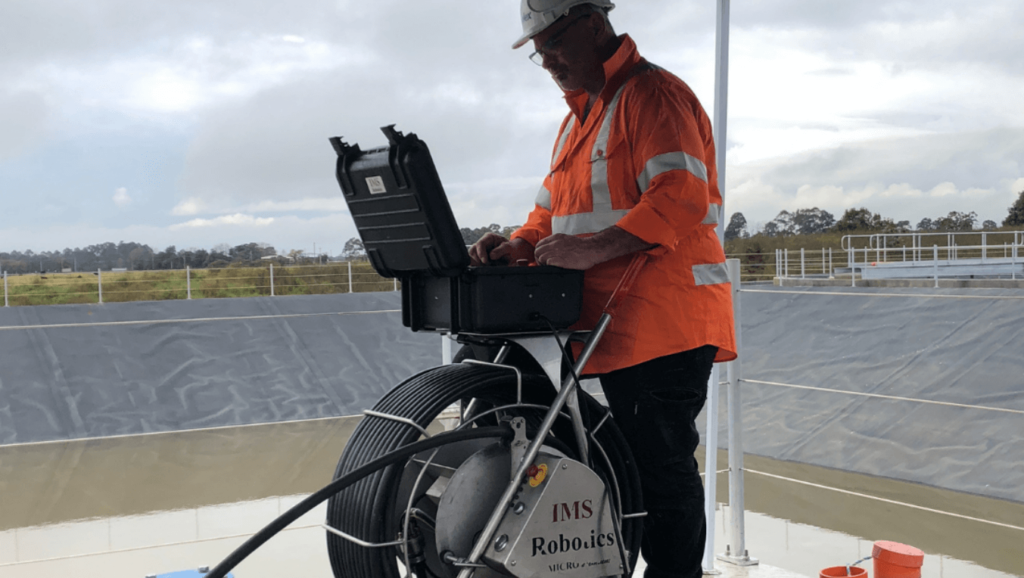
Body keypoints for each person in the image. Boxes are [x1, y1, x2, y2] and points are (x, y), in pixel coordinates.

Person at [468, 2, 737, 577]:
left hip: (665, 321)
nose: (547, 60)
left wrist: (595, 247)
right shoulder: (579, 119)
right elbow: (551, 214)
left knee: (660, 469)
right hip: (605, 320)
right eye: (538, 51)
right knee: (613, 460)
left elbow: (681, 196)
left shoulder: (652, 95)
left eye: (554, 42)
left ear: (593, 23)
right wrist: (518, 245)